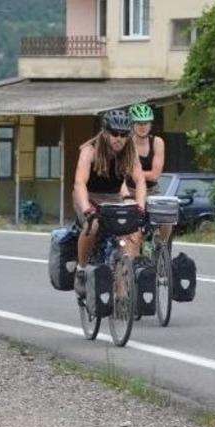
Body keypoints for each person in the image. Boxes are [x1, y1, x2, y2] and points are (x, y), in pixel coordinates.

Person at [73, 110, 147, 294]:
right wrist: (87, 209)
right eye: (114, 134)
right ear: (105, 133)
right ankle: (81, 269)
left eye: (123, 135)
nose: (118, 139)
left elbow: (139, 181)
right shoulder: (89, 151)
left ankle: (122, 294)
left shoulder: (130, 153)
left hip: (113, 197)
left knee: (130, 231)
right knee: (94, 225)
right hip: (88, 195)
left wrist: (140, 207)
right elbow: (79, 182)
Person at [124, 103, 172, 242]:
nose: (142, 126)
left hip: (152, 191)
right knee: (132, 226)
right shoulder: (126, 143)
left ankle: (161, 249)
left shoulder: (157, 142)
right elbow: (120, 173)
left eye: (146, 123)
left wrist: (132, 172)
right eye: (139, 123)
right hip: (130, 190)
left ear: (150, 125)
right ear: (132, 124)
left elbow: (155, 175)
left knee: (167, 219)